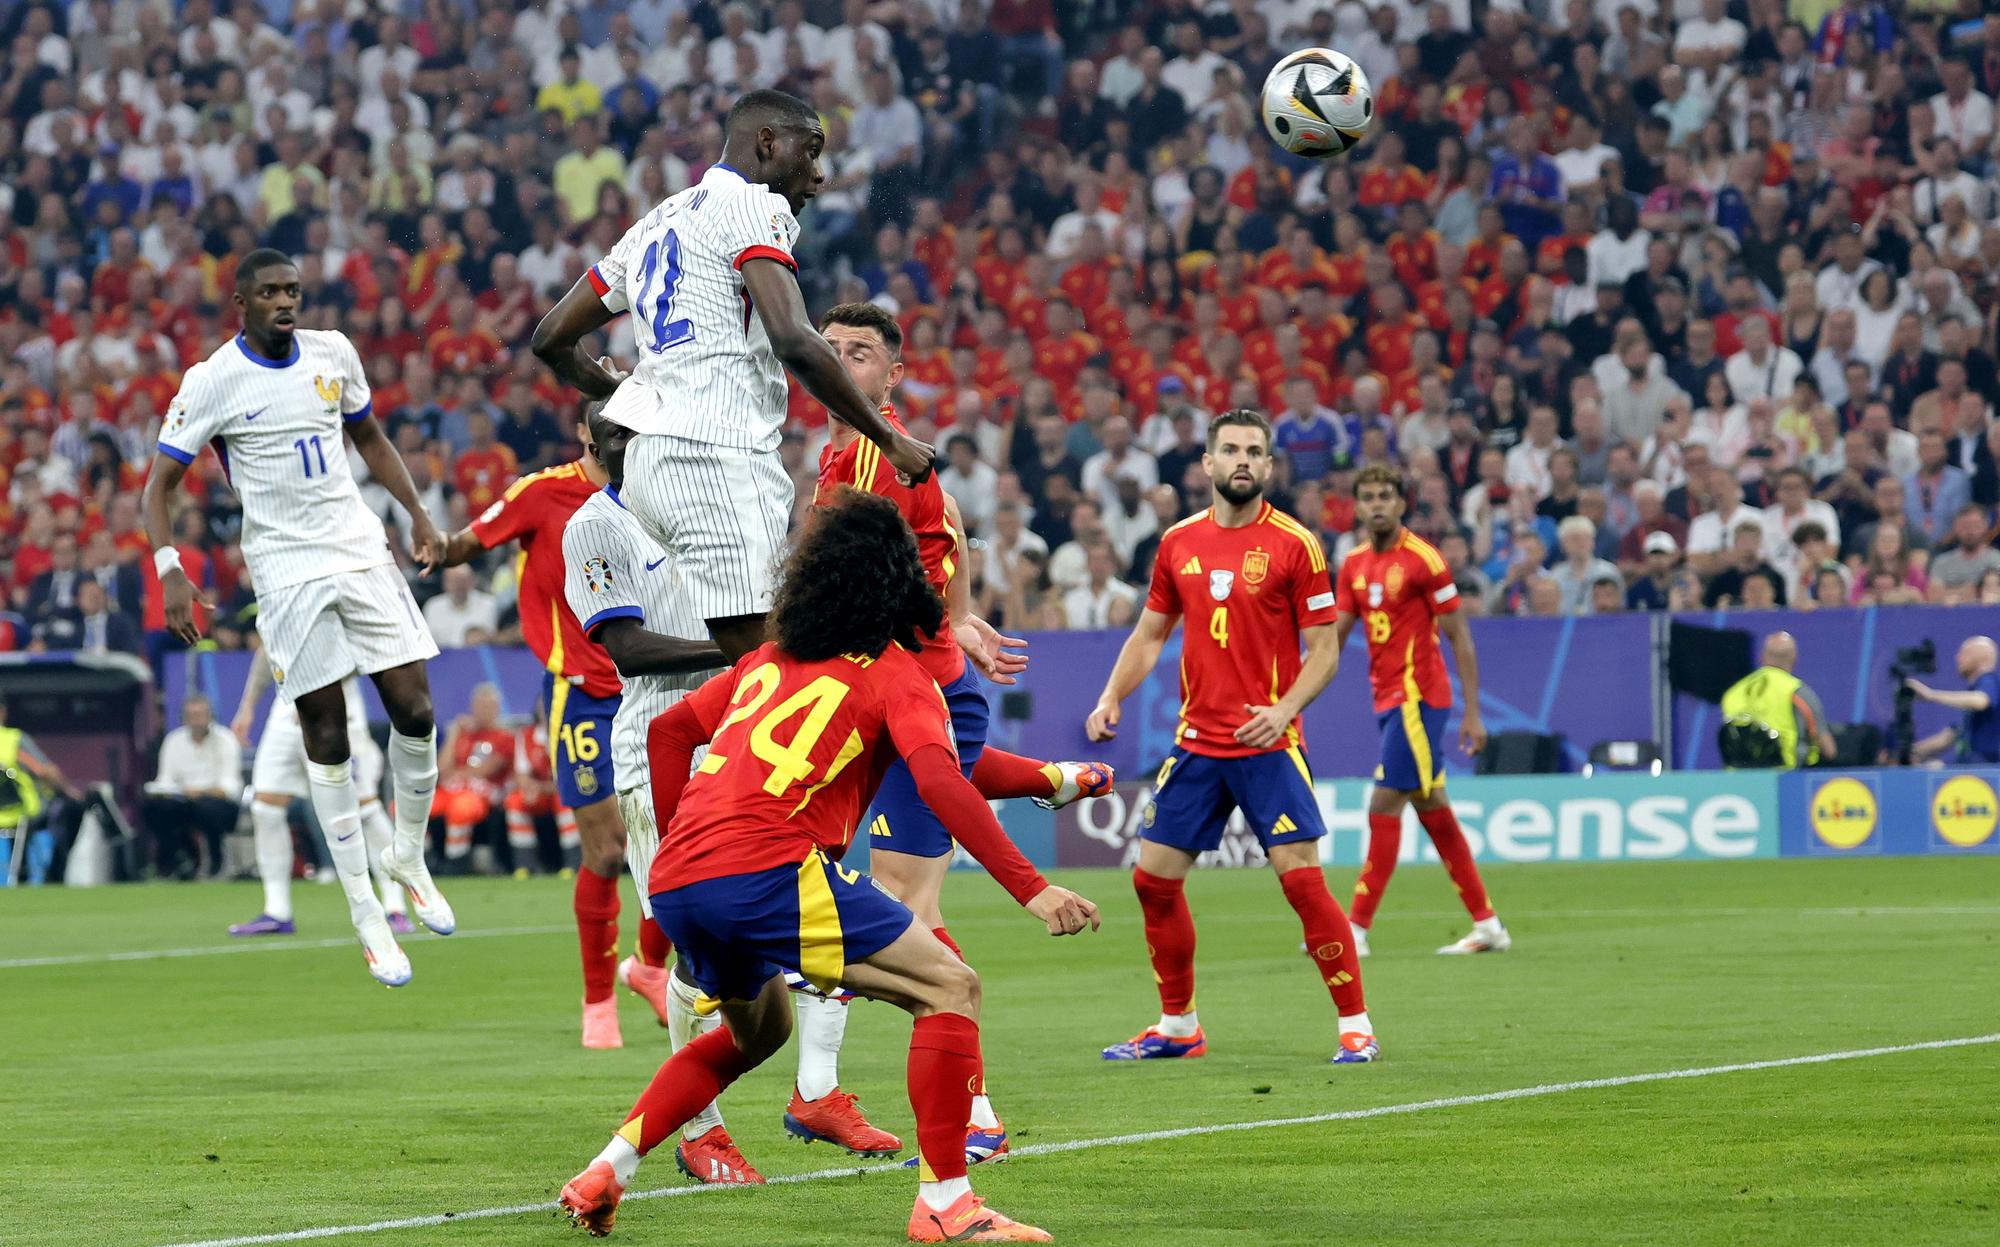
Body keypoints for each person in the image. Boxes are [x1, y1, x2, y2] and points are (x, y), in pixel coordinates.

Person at [556, 489, 1097, 1244]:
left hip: (681, 877)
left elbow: (673, 727)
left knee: (758, 1032)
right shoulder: (896, 671)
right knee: (950, 985)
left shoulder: (767, 660)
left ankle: (608, 1168)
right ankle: (947, 1204)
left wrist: (681, 834)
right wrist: (1031, 888)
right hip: (767, 871)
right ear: (899, 581)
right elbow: (943, 780)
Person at [811, 302, 1113, 1165]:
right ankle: (1050, 779)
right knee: (874, 900)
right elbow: (949, 541)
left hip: (919, 700)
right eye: (827, 350)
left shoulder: (878, 455)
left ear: (892, 376)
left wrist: (950, 631)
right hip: (891, 692)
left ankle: (973, 1117)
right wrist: (965, 616)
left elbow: (924, 538)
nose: (838, 363)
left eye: (859, 354)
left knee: (906, 910)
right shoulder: (849, 451)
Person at [530, 88, 933, 665]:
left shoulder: (655, 221)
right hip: (716, 453)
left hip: (650, 466)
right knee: (778, 667)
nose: (817, 176)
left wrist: (618, 391)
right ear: (767, 143)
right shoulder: (753, 204)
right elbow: (794, 337)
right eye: (810, 152)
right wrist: (889, 437)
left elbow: (550, 338)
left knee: (765, 654)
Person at [141, 249, 452, 988]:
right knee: (327, 734)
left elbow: (370, 437)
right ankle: (365, 913)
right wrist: (171, 570)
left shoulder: (333, 352)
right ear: (241, 301)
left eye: (294, 291)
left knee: (413, 707)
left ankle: (406, 853)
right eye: (272, 292)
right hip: (284, 570)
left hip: (358, 550)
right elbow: (158, 487)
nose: (287, 302)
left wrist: (414, 512)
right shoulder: (212, 379)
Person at [566, 404, 821, 1183]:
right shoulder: (594, 528)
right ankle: (699, 1130)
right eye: (611, 437)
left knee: (769, 942)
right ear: (590, 445)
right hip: (655, 756)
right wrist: (743, 651)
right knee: (698, 941)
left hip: (745, 750)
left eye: (639, 435)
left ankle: (819, 1088)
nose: (627, 447)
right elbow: (626, 648)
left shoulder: (705, 508)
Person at [1084, 409, 1378, 1065]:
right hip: (1197, 744)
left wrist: (1285, 708)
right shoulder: (1178, 543)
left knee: (1301, 880)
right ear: (1208, 464)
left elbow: (1327, 648)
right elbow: (1150, 633)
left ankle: (1355, 1024)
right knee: (1152, 882)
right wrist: (1111, 695)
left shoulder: (1296, 544)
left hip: (1268, 745)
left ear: (1268, 467)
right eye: (1230, 449)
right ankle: (1178, 1025)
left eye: (1254, 451)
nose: (1242, 460)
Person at [436, 419, 639, 1047]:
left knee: (675, 842)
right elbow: (472, 539)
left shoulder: (657, 489)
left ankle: (652, 967)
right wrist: (430, 545)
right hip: (578, 690)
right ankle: (598, 1000)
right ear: (583, 430)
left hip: (655, 685)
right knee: (607, 852)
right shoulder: (542, 493)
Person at [1335, 465, 1510, 956]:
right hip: (1388, 701)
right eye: (1367, 496)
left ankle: (1356, 930)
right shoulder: (1352, 564)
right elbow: (1335, 635)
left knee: (1383, 804)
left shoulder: (1423, 560)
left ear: (1400, 503)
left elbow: (1459, 636)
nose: (1376, 505)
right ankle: (1488, 924)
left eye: (1385, 496)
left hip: (1417, 699)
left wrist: (1472, 713)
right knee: (1436, 815)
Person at [226, 651, 411, 937]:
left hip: (336, 701)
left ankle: (394, 907)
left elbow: (355, 649)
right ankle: (277, 911)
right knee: (266, 807)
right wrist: (248, 705)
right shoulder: (272, 604)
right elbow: (268, 648)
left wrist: (314, 696)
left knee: (363, 809)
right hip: (286, 704)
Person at [141, 693, 242, 879]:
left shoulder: (226, 740)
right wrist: (178, 792)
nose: (196, 720)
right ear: (184, 718)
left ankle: (215, 860)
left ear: (211, 716)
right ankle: (180, 860)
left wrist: (201, 792)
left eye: (201, 715)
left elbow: (230, 787)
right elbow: (165, 780)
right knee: (154, 808)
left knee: (208, 809)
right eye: (192, 716)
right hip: (182, 800)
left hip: (217, 803)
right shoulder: (173, 741)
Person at [1719, 632, 1836, 769]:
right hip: (1785, 778)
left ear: (1762, 657)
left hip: (1738, 779)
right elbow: (1829, 750)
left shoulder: (1734, 692)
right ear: (1794, 658)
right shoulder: (1797, 692)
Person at [1908, 637, 2000, 766]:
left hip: (1986, 771)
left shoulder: (1990, 682)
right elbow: (1949, 736)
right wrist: (1913, 752)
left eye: (1964, 653)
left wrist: (1931, 695)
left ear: (1982, 657)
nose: (1957, 658)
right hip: (1970, 767)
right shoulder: (1970, 698)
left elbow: (1981, 701)